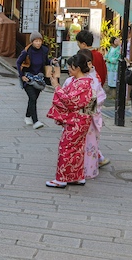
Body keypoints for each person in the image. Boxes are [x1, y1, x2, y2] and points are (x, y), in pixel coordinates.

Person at [45, 53, 96, 188]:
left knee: (66, 147)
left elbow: (69, 101)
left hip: (77, 120)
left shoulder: (83, 83)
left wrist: (56, 86)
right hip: (81, 118)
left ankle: (61, 179)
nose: (68, 69)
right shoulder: (80, 81)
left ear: (78, 68)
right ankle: (77, 176)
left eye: (70, 67)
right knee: (77, 148)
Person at [76, 48, 108, 174]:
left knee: (90, 143)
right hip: (80, 114)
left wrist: (87, 110)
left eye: (90, 63)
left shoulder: (94, 78)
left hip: (89, 115)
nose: (89, 66)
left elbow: (101, 96)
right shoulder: (75, 78)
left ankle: (88, 169)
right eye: (87, 63)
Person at [16, 31, 50, 129]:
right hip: (28, 78)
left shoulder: (44, 50)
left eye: (39, 41)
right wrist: (21, 75)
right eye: (36, 41)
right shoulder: (27, 51)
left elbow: (46, 61)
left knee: (33, 99)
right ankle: (35, 121)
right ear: (32, 42)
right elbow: (18, 63)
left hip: (39, 79)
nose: (38, 43)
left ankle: (27, 116)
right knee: (33, 98)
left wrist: (52, 61)